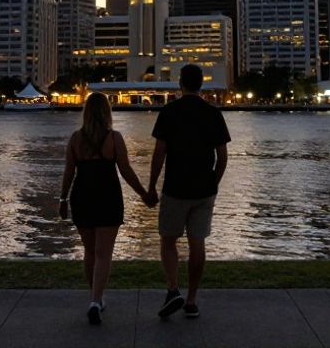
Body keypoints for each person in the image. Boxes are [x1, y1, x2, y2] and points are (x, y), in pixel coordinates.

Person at [59, 91, 152, 325]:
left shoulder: (75, 139)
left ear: (86, 112)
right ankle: (95, 300)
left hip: (82, 197)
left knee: (90, 252)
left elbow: (69, 173)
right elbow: (126, 171)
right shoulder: (114, 138)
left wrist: (62, 200)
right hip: (108, 197)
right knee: (103, 254)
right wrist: (144, 194)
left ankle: (95, 299)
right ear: (107, 113)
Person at [146, 64, 230, 320]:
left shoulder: (170, 112)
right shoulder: (213, 113)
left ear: (180, 83)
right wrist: (213, 182)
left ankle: (173, 289)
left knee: (168, 240)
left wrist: (151, 187)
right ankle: (191, 299)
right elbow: (222, 156)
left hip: (175, 188)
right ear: (201, 84)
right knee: (198, 244)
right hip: (203, 189)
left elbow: (159, 154)